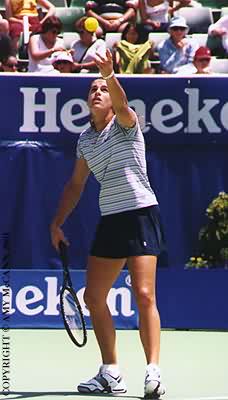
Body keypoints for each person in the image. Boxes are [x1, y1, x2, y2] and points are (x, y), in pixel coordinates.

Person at [50, 48, 166, 398]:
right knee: (94, 298)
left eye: (102, 89)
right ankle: (111, 372)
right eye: (92, 90)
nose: (97, 93)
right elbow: (75, 184)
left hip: (141, 213)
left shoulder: (127, 123)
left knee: (144, 295)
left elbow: (121, 102)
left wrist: (109, 74)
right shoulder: (85, 140)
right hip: (111, 219)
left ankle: (153, 372)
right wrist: (57, 223)